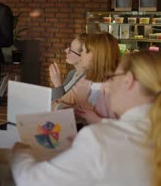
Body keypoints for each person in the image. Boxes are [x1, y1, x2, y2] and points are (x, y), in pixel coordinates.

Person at [12, 51, 161, 186]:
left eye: (113, 77)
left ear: (128, 81)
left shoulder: (99, 140)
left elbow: (29, 181)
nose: (109, 84)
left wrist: (21, 151)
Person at [53, 33, 120, 116]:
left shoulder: (117, 86)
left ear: (91, 55)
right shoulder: (85, 80)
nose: (81, 56)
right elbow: (60, 101)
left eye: (83, 51)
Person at [49, 33, 87, 98]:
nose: (66, 50)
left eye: (71, 50)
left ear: (82, 56)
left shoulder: (86, 80)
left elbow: (65, 106)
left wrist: (57, 83)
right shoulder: (72, 73)